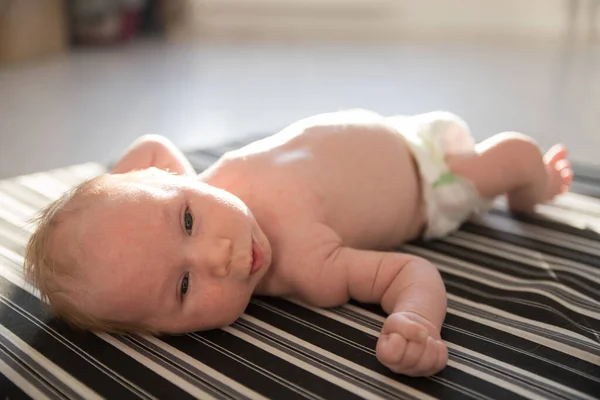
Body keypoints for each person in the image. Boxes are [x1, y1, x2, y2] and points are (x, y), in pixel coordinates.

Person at [24, 110, 572, 376]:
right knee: (515, 155)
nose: (219, 255)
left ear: (169, 183)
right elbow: (410, 274)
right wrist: (417, 323)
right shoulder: (311, 268)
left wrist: (109, 202)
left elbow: (150, 147)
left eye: (186, 222)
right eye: (184, 285)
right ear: (166, 333)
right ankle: (536, 186)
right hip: (438, 178)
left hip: (399, 125)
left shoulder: (192, 181)